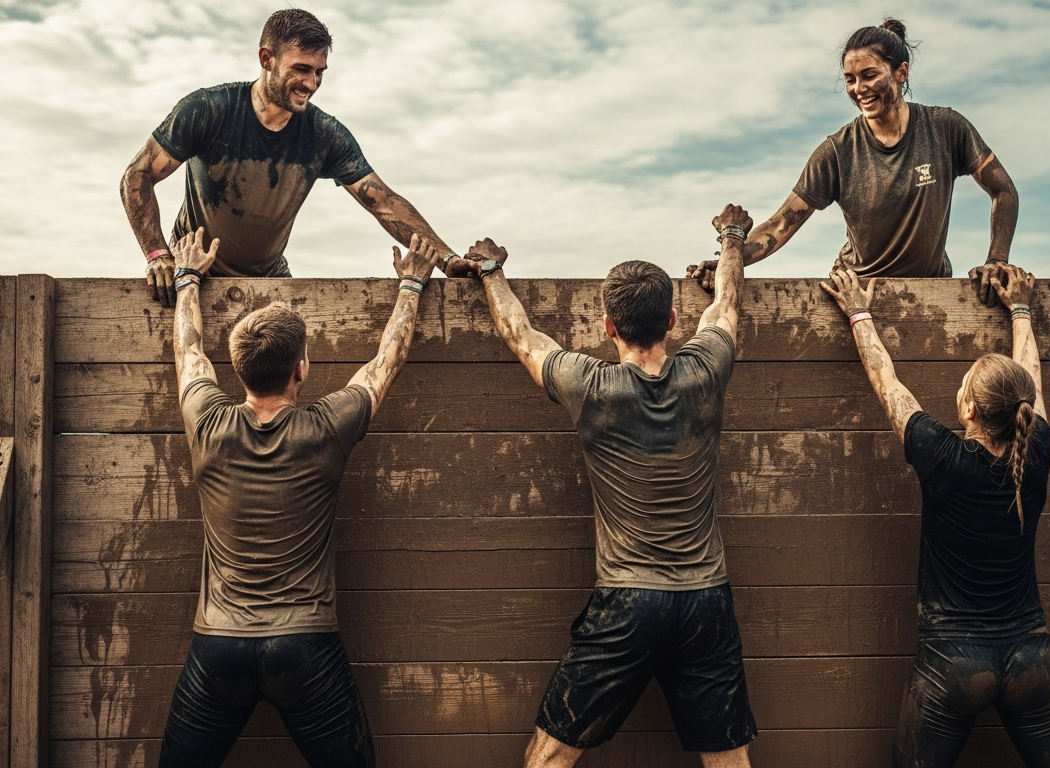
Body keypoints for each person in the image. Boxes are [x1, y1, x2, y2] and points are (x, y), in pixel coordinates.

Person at [472, 204, 758, 767]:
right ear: (673, 320)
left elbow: (521, 334)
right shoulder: (706, 368)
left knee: (550, 756)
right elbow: (725, 304)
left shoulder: (590, 386)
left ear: (608, 327)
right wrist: (731, 237)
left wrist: (490, 271)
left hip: (627, 604)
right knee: (729, 763)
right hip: (705, 601)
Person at [155, 225, 439, 767]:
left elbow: (188, 348)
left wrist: (189, 276)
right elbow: (386, 363)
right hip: (305, 648)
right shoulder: (327, 426)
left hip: (219, 646)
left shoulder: (206, 421)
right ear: (301, 368)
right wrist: (411, 285)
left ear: (237, 371)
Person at [819, 264, 1050, 767]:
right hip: (1031, 660)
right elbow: (1031, 383)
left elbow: (887, 382)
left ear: (970, 412)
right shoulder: (1038, 448)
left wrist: (858, 312)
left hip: (953, 664)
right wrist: (1020, 310)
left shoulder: (943, 457)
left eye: (964, 391)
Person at [121, 8, 477, 308]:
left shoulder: (323, 134)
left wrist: (447, 259)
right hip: (197, 270)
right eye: (302, 69)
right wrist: (158, 256)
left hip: (272, 278)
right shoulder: (208, 111)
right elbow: (136, 177)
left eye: (319, 72)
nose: (312, 83)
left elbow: (383, 202)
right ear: (266, 59)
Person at [688, 18, 1020, 307]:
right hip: (855, 293)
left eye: (869, 75)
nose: (859, 88)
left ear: (901, 72)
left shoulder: (946, 129)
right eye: (850, 79)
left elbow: (1003, 191)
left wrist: (997, 260)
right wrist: (731, 260)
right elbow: (780, 225)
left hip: (930, 289)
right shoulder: (837, 151)